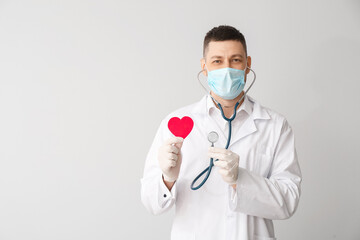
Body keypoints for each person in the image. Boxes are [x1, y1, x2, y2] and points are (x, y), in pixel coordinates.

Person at [140, 25, 302, 240]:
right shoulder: (174, 123)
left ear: (247, 64)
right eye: (217, 61)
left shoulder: (275, 126)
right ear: (204, 67)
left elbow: (288, 202)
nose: (227, 69)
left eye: (235, 60)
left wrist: (240, 179)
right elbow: (152, 203)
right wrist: (167, 178)